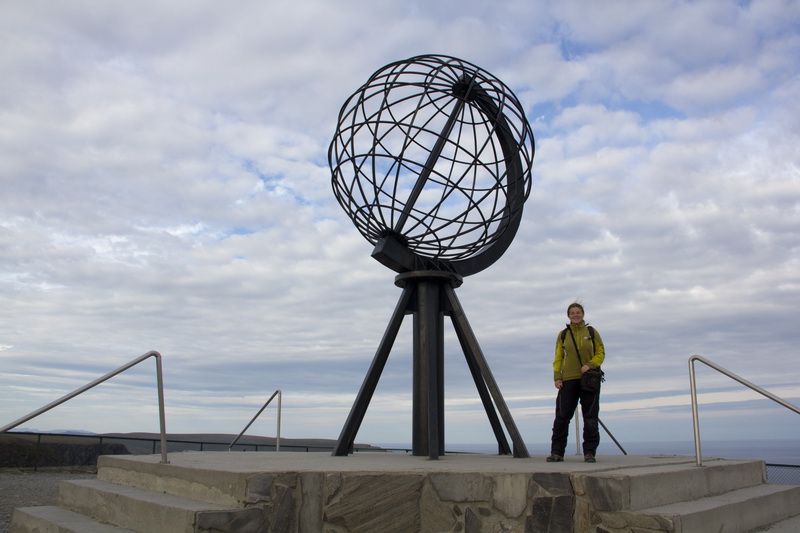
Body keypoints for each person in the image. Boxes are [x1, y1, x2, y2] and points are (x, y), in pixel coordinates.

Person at [547, 302, 605, 463]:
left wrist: (591, 365)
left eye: (578, 312)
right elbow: (558, 357)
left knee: (590, 416)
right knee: (562, 417)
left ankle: (589, 453)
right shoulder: (563, 334)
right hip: (568, 379)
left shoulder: (592, 332)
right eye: (572, 313)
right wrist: (557, 377)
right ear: (568, 315)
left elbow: (601, 352)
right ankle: (557, 452)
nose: (575, 315)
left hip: (589, 379)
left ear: (583, 314)